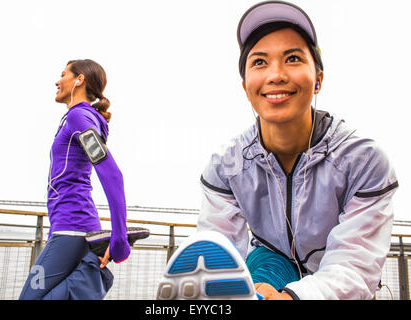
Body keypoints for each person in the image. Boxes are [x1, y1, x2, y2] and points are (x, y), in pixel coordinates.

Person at [157, 1, 398, 300]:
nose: (276, 75)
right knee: (250, 280)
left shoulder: (364, 162)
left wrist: (292, 297)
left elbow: (355, 262)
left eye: (293, 58)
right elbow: (220, 249)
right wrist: (230, 290)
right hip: (272, 260)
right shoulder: (226, 166)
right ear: (245, 86)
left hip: (337, 276)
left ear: (319, 79)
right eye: (259, 62)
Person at [19, 59, 131, 300]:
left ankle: (91, 274)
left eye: (63, 74)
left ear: (79, 79)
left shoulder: (79, 118)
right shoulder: (77, 118)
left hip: (73, 228)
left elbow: (112, 174)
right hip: (68, 227)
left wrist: (119, 237)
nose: (57, 81)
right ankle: (88, 277)